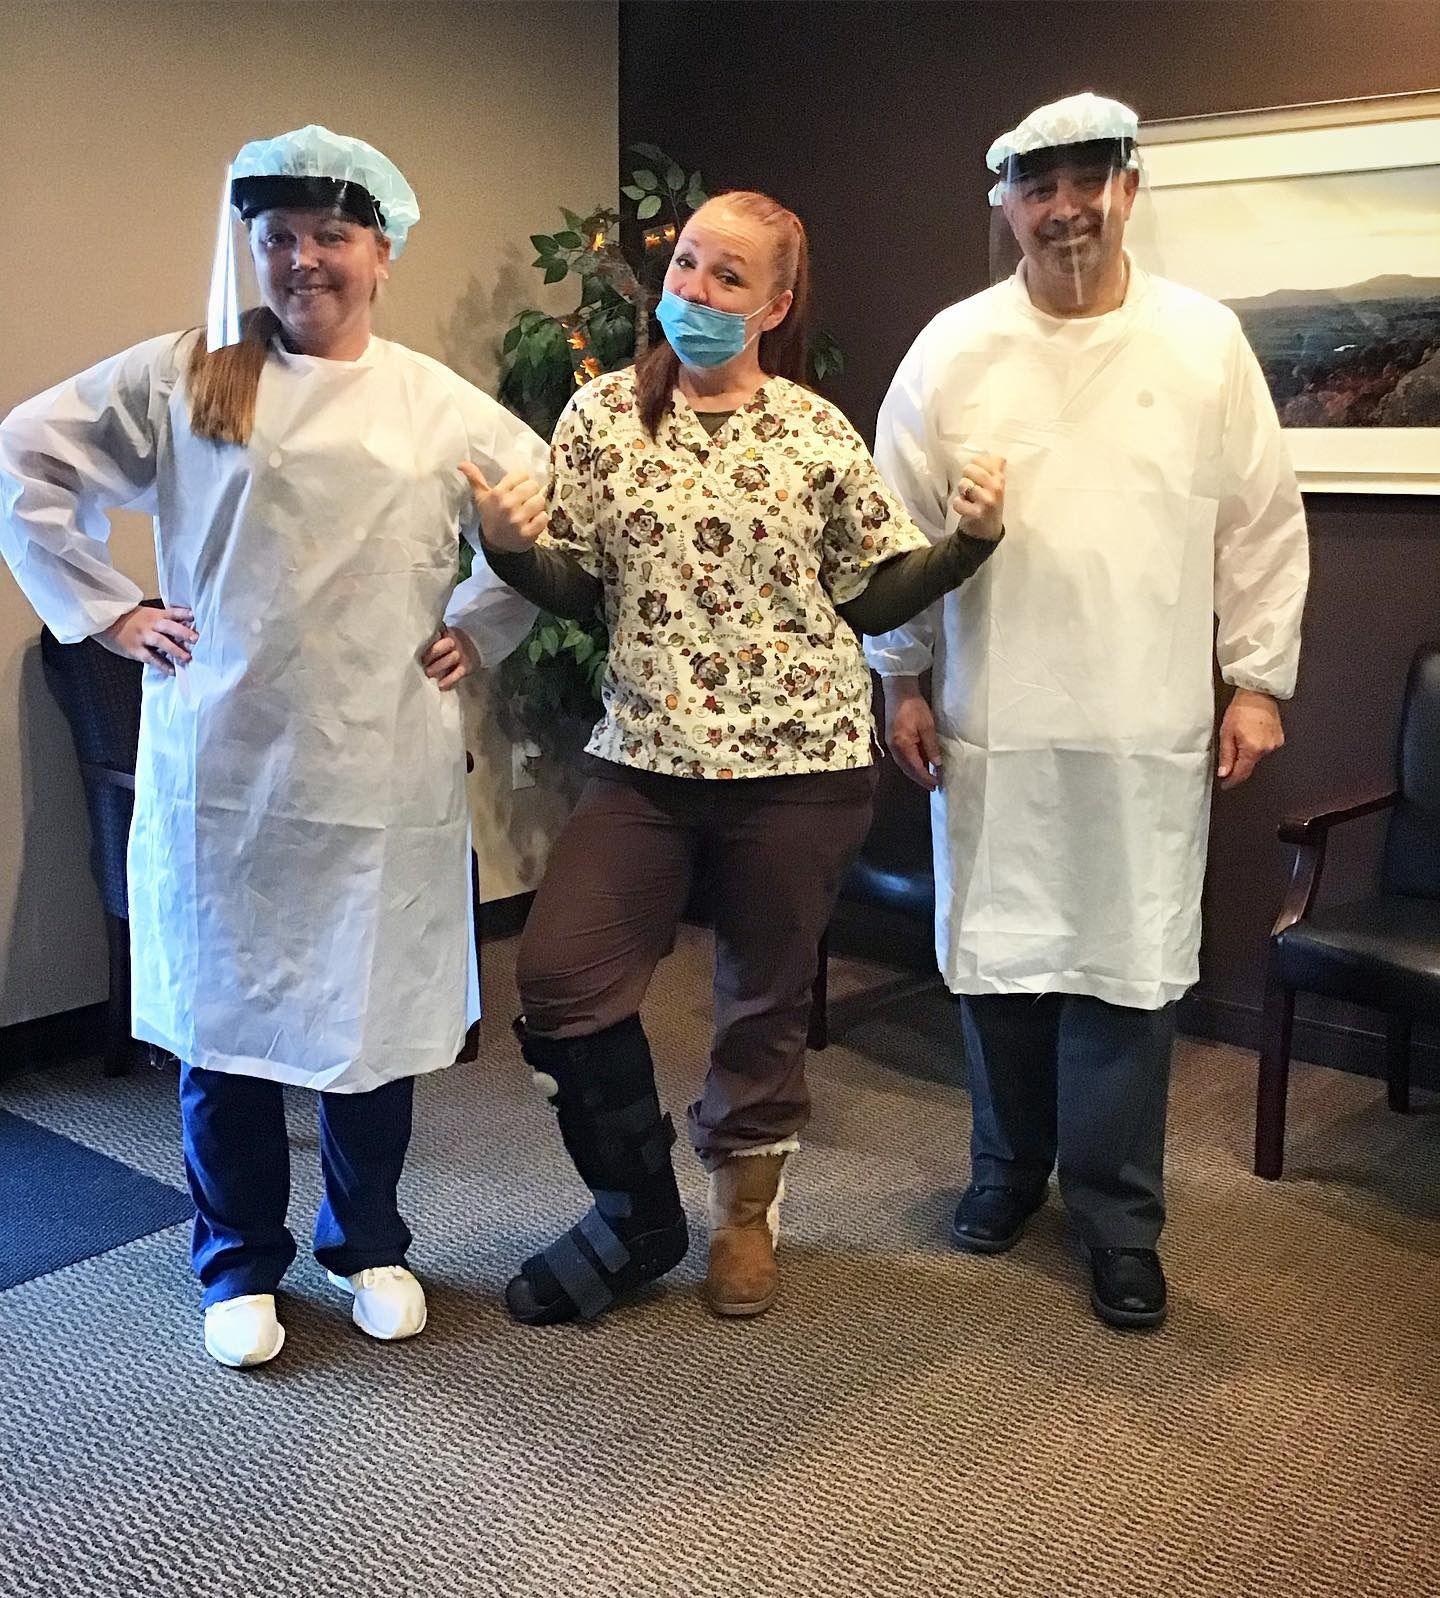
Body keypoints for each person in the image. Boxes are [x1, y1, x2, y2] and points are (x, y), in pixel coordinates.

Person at [0, 124, 547, 1367]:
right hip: (229, 764)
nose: (305, 260)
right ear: (249, 244)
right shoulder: (196, 377)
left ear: (383, 249)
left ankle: (369, 1243)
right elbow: (25, 452)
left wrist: (482, 618)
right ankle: (236, 1257)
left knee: (371, 1023)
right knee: (228, 1018)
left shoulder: (430, 400)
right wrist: (108, 610)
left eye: (331, 237)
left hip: (378, 760)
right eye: (280, 237)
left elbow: (535, 511)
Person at [463, 190, 1006, 1324]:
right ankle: (638, 1210)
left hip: (799, 762)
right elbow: (577, 583)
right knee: (559, 976)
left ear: (776, 303)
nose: (695, 293)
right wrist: (511, 553)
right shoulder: (601, 417)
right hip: (645, 755)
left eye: (728, 278)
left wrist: (967, 544)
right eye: (687, 267)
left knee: (760, 997)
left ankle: (745, 1214)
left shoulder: (813, 431)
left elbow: (867, 591)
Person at [866, 93, 1309, 1330]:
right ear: (1005, 201)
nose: (1064, 206)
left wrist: (1259, 677)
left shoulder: (1203, 342)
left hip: (1143, 713)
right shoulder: (953, 349)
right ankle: (1005, 1173)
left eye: (1088, 178)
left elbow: (1260, 520)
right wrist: (899, 672)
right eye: (1037, 184)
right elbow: (888, 528)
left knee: (1126, 968)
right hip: (996, 711)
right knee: (1004, 958)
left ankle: (1118, 1216)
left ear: (1128, 186)